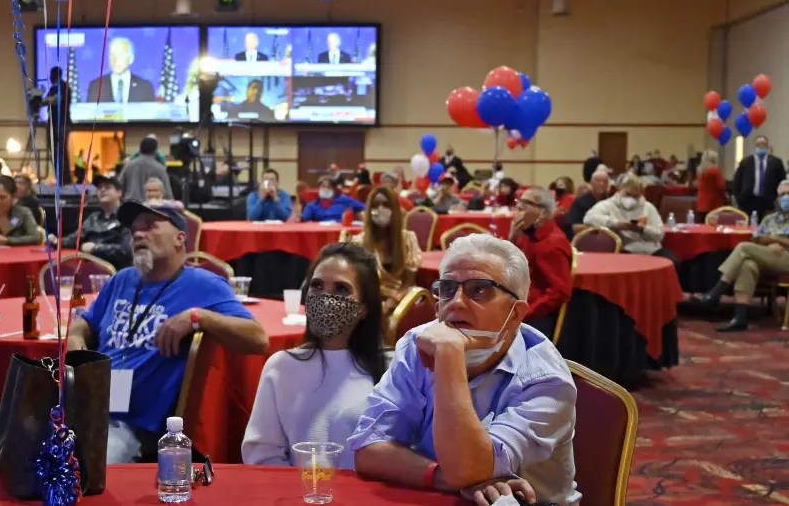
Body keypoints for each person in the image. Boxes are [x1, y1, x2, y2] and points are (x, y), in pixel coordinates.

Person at [0, 202, 268, 470]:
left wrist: (198, 317)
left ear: (180, 238)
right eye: (134, 231)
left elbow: (258, 339)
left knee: (90, 464)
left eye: (149, 227)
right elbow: (86, 321)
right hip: (80, 405)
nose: (138, 235)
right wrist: (76, 339)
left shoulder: (203, 285)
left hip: (130, 423)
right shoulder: (122, 280)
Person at [349, 233, 578, 506]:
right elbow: (368, 448)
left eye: (479, 289)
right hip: (439, 497)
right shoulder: (417, 343)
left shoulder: (547, 380)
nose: (456, 302)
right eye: (447, 289)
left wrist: (449, 354)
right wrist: (441, 476)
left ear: (516, 313)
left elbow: (467, 469)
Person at [242, 244, 386, 469]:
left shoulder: (390, 369)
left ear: (364, 308)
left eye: (341, 289)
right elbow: (261, 454)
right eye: (317, 286)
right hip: (299, 488)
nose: (325, 298)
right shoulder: (281, 367)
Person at [694, 179, 789, 332]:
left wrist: (776, 239)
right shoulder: (770, 219)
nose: (785, 198)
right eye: (782, 194)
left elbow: (763, 241)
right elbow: (755, 239)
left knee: (743, 247)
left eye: (788, 194)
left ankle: (715, 293)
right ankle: (740, 318)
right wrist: (767, 243)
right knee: (747, 264)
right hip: (768, 255)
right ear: (777, 198)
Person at [508, 187, 573, 340]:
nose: (519, 207)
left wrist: (525, 312)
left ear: (544, 212)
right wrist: (511, 239)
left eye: (526, 203)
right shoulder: (525, 233)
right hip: (516, 300)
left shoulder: (552, 243)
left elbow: (559, 292)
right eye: (519, 202)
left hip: (534, 315)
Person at [350, 187, 421, 307]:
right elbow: (358, 283)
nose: (380, 209)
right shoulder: (359, 242)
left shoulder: (407, 239)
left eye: (386, 205)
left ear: (395, 209)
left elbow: (408, 282)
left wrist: (392, 303)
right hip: (370, 301)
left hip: (400, 298)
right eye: (375, 205)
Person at [583, 175, 675, 261]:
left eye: (635, 196)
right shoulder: (607, 205)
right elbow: (589, 218)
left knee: (673, 261)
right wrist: (618, 224)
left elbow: (659, 234)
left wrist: (643, 229)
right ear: (620, 190)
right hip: (627, 251)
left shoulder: (648, 207)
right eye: (627, 194)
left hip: (652, 250)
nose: (631, 199)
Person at [51, 176, 132, 269]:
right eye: (100, 188)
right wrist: (57, 241)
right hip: (90, 269)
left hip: (118, 270)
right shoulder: (93, 218)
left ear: (119, 193)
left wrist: (96, 248)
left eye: (108, 187)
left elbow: (128, 250)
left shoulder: (127, 217)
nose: (102, 190)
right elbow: (75, 239)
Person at [0, 176, 42, 246]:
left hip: (16, 252)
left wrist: (8, 240)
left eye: (3, 197)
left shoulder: (23, 213)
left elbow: (35, 237)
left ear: (13, 197)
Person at [87, 37, 156, 104]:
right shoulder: (96, 86)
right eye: (112, 55)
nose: (115, 60)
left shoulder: (144, 87)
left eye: (120, 55)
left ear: (131, 58)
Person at [734, 135, 787, 222]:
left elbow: (782, 182)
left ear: (767, 146)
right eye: (758, 144)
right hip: (749, 200)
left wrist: (778, 198)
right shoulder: (746, 162)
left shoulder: (776, 162)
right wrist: (739, 199)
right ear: (755, 146)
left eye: (763, 144)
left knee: (767, 225)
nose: (761, 146)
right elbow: (737, 182)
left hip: (768, 202)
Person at [120, 137, 173, 204]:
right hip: (152, 207)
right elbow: (168, 194)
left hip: (129, 205)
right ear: (156, 151)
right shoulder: (159, 169)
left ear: (139, 149)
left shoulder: (129, 166)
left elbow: (119, 186)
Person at [44, 66, 72, 183]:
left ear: (55, 75)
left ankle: (65, 179)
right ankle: (59, 178)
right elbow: (46, 100)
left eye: (51, 75)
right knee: (54, 151)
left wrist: (45, 101)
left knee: (61, 151)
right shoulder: (52, 89)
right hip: (53, 124)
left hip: (61, 124)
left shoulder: (64, 87)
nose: (50, 77)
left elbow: (57, 99)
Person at [564, 168, 611, 238]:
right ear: (591, 183)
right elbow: (576, 228)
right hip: (586, 239)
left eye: (604, 181)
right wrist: (600, 228)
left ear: (608, 184)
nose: (601, 184)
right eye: (598, 181)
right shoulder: (580, 201)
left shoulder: (611, 201)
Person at [695, 149, 728, 222]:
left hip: (701, 203)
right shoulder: (715, 170)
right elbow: (721, 186)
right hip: (713, 204)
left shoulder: (700, 171)